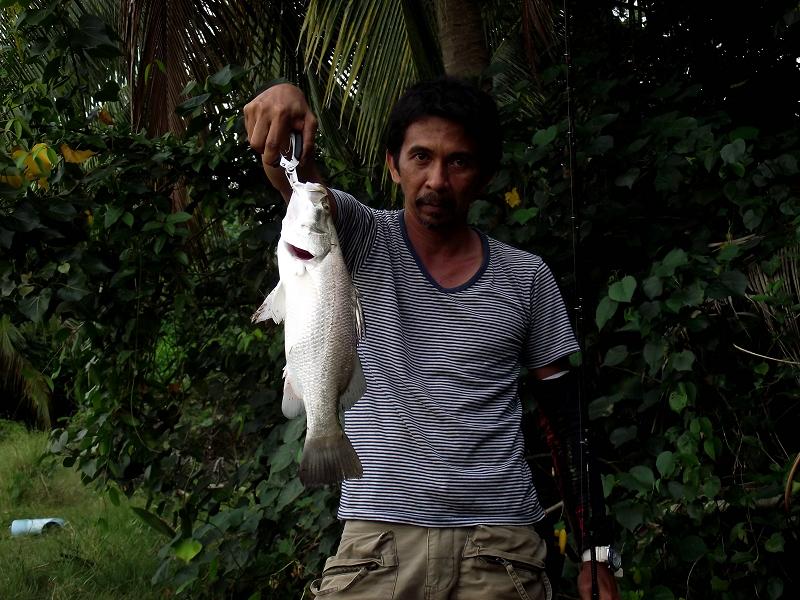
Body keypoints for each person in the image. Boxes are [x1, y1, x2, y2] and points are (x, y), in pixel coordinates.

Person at [244, 78, 621, 600]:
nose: (437, 179)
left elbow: (566, 417)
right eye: (420, 157)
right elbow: (306, 193)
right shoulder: (355, 237)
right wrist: (286, 97)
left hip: (500, 552)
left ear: (485, 175)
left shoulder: (526, 277)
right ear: (393, 165)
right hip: (375, 548)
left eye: (459, 161)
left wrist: (594, 547)